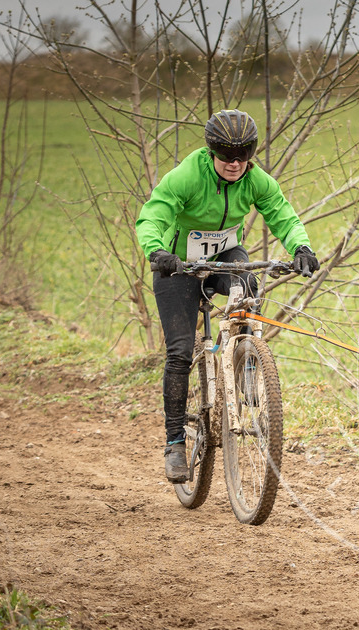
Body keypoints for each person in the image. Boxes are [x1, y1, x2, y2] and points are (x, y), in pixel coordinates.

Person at [136, 109, 319, 482]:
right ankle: (174, 443)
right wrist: (157, 252)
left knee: (247, 282)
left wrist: (301, 247)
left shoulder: (255, 178)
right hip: (178, 266)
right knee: (179, 351)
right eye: (225, 156)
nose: (235, 164)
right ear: (211, 151)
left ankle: (247, 363)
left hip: (224, 256)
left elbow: (281, 213)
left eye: (243, 156)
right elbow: (153, 214)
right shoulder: (188, 175)